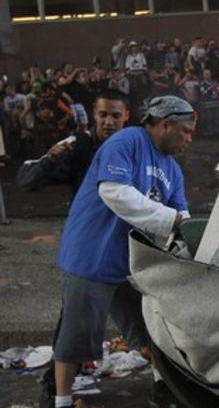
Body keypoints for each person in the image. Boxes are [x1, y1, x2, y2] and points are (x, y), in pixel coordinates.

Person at [46, 95, 195, 408]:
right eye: (186, 131)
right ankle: (61, 400)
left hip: (134, 263)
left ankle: (162, 387)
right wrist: (172, 220)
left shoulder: (174, 170)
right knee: (76, 336)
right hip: (93, 254)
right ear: (165, 124)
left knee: (154, 328)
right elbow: (114, 192)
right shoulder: (128, 141)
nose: (189, 138)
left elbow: (183, 219)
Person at [17, 90, 129, 196]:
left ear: (126, 115)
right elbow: (25, 181)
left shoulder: (137, 146)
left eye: (116, 116)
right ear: (95, 114)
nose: (109, 122)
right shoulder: (77, 145)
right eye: (103, 115)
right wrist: (49, 161)